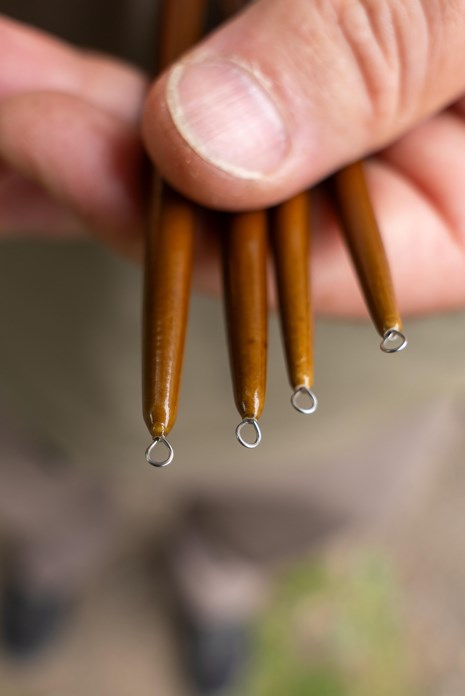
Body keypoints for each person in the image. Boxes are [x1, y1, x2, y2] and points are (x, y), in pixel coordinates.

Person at [0, 1, 465, 694]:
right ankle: (48, 562)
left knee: (307, 494)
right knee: (32, 454)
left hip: (388, 292)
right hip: (56, 263)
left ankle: (217, 579)